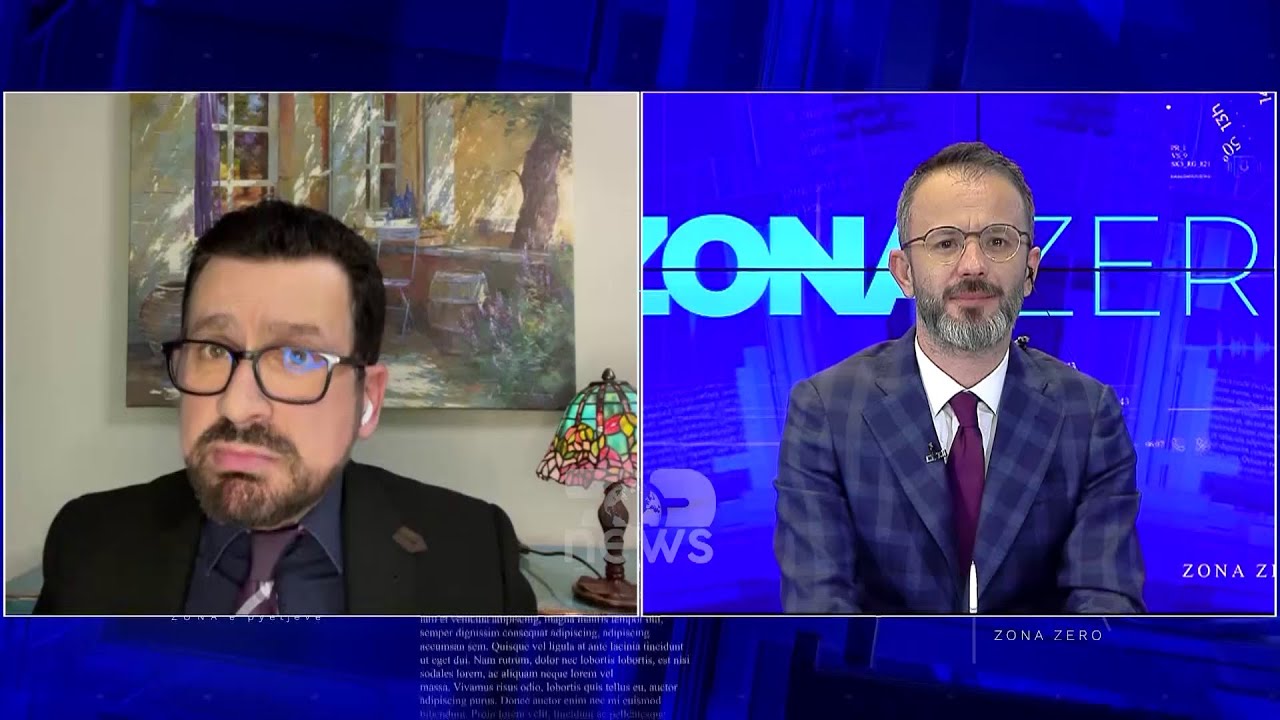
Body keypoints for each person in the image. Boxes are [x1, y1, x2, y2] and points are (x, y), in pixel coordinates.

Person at [34, 200, 537, 615]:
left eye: (297, 356)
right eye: (213, 350)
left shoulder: (474, 560)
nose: (237, 406)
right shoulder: (87, 544)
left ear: (367, 399)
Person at [773, 142, 1145, 614]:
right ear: (904, 272)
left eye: (998, 241)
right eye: (945, 243)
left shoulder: (1089, 416)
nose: (972, 266)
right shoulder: (826, 410)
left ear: (1030, 270)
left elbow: (1106, 609)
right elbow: (820, 611)